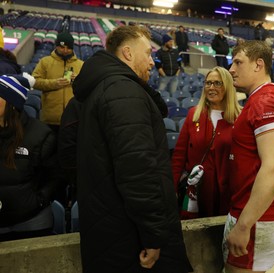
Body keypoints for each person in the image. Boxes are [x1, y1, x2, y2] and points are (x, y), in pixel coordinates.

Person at [72, 25, 191, 273]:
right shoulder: (123, 92)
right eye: (147, 53)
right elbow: (138, 172)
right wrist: (154, 236)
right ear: (127, 53)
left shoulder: (104, 88)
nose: (151, 61)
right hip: (129, 237)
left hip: (110, 227)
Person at [224, 40, 274, 273]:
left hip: (258, 218)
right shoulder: (262, 98)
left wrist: (244, 225)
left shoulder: (265, 101)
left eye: (238, 62)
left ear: (259, 64)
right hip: (260, 215)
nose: (231, 69)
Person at [172, 66, 242, 218]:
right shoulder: (194, 114)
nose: (211, 87)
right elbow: (179, 155)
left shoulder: (240, 117)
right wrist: (173, 187)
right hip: (197, 193)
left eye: (217, 83)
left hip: (228, 194)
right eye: (208, 83)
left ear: (228, 87)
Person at [0, 74, 59, 241]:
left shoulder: (39, 134)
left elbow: (55, 178)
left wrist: (37, 201)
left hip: (31, 221)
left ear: (12, 102)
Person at [32, 31, 83, 133]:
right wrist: (54, 83)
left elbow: (88, 87)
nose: (65, 50)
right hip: (50, 118)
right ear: (56, 46)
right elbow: (35, 82)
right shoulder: (45, 62)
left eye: (68, 48)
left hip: (72, 119)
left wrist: (77, 81)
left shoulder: (81, 65)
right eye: (62, 47)